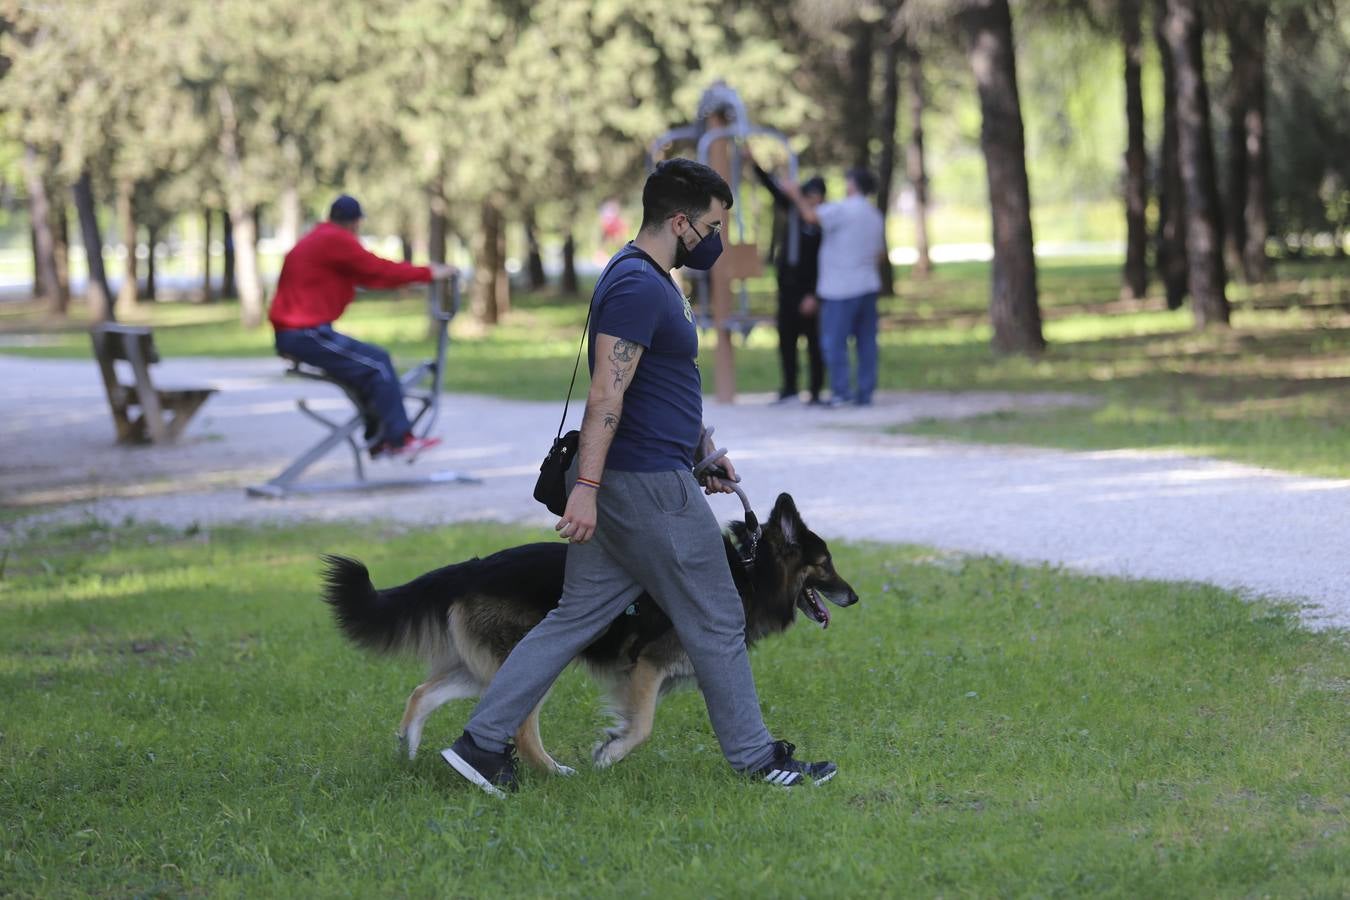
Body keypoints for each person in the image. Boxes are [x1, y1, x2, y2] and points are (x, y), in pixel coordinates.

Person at [440, 159, 837, 794]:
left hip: (647, 474)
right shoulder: (636, 287)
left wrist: (702, 450)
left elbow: (657, 386)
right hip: (647, 487)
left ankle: (480, 745)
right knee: (717, 619)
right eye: (713, 225)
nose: (719, 239)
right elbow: (606, 396)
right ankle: (759, 760)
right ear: (679, 222)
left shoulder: (648, 280)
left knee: (573, 618)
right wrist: (588, 490)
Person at [268, 195, 455, 457]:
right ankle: (399, 439)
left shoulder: (321, 237)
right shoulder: (335, 239)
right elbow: (377, 270)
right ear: (356, 223)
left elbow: (363, 275)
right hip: (304, 332)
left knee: (367, 369)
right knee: (377, 363)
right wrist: (428, 274)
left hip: (299, 331)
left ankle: (379, 437)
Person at [784, 169, 887, 407]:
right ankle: (865, 392)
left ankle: (841, 391)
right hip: (868, 285)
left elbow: (810, 216)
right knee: (866, 343)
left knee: (834, 342)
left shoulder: (843, 209)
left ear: (852, 185)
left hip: (840, 288)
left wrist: (794, 194)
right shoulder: (874, 214)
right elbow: (880, 254)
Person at [745, 147, 827, 405]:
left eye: (812, 196)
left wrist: (813, 293)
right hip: (788, 288)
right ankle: (790, 387)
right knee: (787, 341)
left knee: (814, 343)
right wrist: (754, 163)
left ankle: (815, 390)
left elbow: (824, 260)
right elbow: (773, 188)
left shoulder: (824, 219)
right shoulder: (793, 211)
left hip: (811, 289)